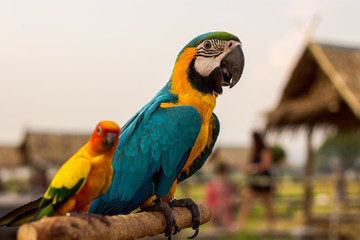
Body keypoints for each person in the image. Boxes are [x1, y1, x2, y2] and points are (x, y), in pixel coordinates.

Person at [237, 131, 275, 232]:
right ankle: (241, 224)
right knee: (247, 198)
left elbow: (266, 165)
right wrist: (247, 168)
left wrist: (254, 168)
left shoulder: (264, 151)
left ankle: (271, 224)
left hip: (263, 180)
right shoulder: (254, 151)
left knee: (267, 202)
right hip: (254, 180)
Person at [205, 163, 237, 231]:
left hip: (226, 210)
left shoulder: (230, 184)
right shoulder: (213, 184)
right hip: (216, 210)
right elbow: (209, 201)